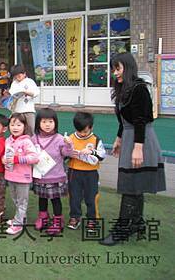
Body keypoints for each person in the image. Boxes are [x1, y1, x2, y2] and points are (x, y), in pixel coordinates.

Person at [100, 53, 166, 246]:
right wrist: (119, 138)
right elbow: (125, 120)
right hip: (131, 137)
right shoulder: (123, 89)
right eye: (113, 69)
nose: (115, 73)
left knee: (130, 185)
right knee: (134, 184)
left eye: (118, 68)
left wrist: (138, 148)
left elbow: (140, 120)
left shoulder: (139, 89)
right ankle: (137, 223)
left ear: (128, 68)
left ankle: (122, 230)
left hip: (141, 139)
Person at [31, 108, 73, 235]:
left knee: (55, 200)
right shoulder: (34, 139)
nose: (47, 124)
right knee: (42, 198)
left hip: (56, 176)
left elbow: (66, 154)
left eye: (50, 121)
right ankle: (43, 218)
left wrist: (69, 145)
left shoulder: (60, 138)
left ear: (56, 123)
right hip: (40, 176)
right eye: (44, 121)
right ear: (38, 123)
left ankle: (57, 221)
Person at [67, 112, 106, 231]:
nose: (82, 134)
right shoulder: (71, 138)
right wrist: (69, 152)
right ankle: (75, 217)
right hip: (74, 171)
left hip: (91, 173)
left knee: (91, 197)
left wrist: (92, 152)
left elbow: (102, 156)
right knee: (74, 196)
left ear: (91, 127)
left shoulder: (96, 139)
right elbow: (64, 154)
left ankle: (92, 219)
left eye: (85, 131)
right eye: (79, 131)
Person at [2, 113, 39, 235]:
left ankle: (18, 224)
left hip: (23, 177)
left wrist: (17, 159)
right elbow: (6, 155)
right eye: (12, 124)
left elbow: (34, 158)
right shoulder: (8, 140)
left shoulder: (26, 141)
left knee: (22, 201)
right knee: (16, 199)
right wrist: (4, 159)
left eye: (19, 124)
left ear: (24, 126)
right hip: (10, 175)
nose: (15, 127)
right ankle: (20, 218)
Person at [8, 64, 39, 135]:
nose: (17, 78)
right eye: (15, 76)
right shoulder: (14, 83)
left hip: (28, 110)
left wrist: (26, 92)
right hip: (17, 111)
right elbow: (12, 95)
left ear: (24, 74)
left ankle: (30, 144)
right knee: (16, 130)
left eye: (19, 76)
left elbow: (36, 93)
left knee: (30, 130)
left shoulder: (29, 81)